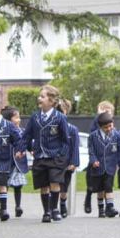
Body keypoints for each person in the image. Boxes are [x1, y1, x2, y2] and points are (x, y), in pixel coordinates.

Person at [17, 85, 72, 223]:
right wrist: (21, 149)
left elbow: (66, 140)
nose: (39, 98)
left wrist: (61, 155)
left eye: (42, 96)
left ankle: (54, 209)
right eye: (39, 96)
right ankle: (46, 212)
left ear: (52, 101)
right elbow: (26, 135)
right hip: (40, 157)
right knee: (43, 186)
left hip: (55, 157)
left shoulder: (60, 118)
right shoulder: (35, 117)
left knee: (55, 182)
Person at [87, 112, 120, 217]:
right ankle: (101, 209)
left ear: (113, 123)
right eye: (106, 127)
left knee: (108, 186)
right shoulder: (93, 136)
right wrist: (93, 160)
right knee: (100, 189)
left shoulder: (117, 135)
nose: (109, 128)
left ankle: (110, 207)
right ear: (100, 127)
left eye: (110, 126)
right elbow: (91, 150)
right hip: (98, 167)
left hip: (111, 166)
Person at [84, 100, 116, 213]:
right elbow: (93, 131)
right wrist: (98, 117)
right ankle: (88, 198)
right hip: (95, 161)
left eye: (108, 112)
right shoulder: (96, 127)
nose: (106, 114)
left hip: (107, 163)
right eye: (103, 111)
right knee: (92, 185)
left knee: (107, 185)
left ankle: (108, 207)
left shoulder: (113, 130)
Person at [1, 105, 28, 217]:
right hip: (7, 163)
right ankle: (4, 208)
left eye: (19, 117)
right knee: (5, 185)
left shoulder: (22, 131)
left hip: (19, 163)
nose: (19, 120)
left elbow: (27, 143)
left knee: (18, 186)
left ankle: (18, 206)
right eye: (16, 117)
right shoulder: (5, 131)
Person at [55, 97, 80, 218]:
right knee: (53, 184)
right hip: (54, 160)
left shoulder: (72, 129)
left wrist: (74, 162)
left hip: (66, 161)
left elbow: (75, 147)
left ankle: (63, 204)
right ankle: (52, 206)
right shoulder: (51, 127)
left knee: (64, 186)